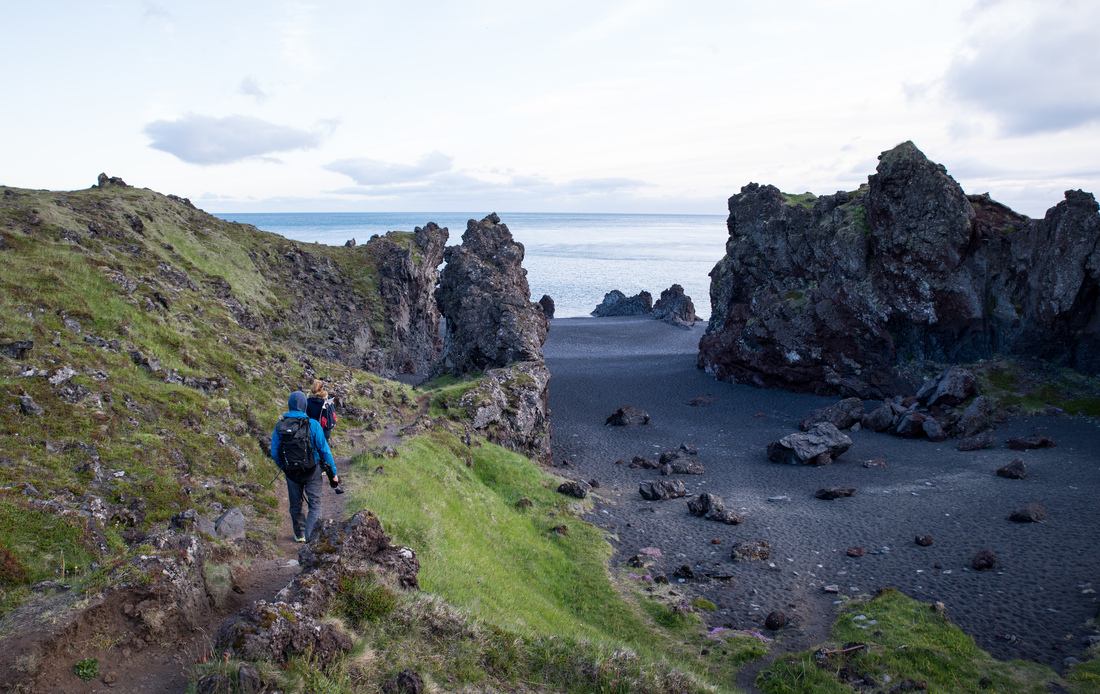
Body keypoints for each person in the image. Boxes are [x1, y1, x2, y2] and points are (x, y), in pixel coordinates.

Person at [270, 390, 339, 542]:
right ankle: (311, 538)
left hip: (291, 472)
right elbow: (325, 451)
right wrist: (333, 473)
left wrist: (284, 465)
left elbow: (274, 452)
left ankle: (299, 534)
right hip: (312, 470)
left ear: (289, 404)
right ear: (304, 405)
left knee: (295, 504)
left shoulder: (280, 425)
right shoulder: (313, 425)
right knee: (315, 504)